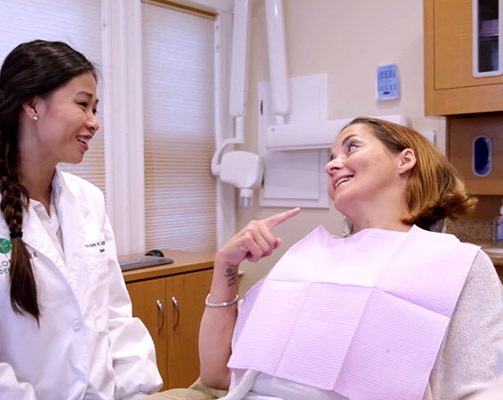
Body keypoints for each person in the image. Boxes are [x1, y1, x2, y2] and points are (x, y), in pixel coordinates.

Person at [0, 39, 162, 399]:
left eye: (96, 108)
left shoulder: (89, 201)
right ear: (32, 104)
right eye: (82, 105)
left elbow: (115, 319)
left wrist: (139, 392)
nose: (94, 123)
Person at [192, 117, 503, 399]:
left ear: (405, 160)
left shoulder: (456, 263)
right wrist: (226, 267)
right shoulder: (306, 259)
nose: (332, 165)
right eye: (330, 159)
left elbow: (484, 391)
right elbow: (217, 374)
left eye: (351, 147)